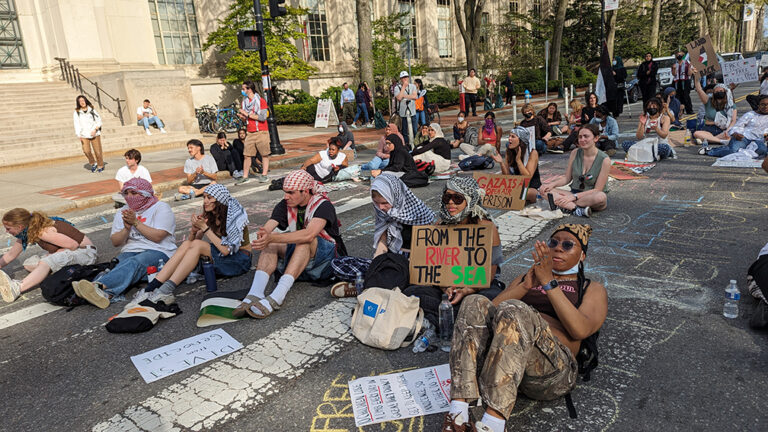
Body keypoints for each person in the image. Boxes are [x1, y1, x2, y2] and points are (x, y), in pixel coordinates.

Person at [443, 224, 607, 432]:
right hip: (505, 365)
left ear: (582, 255)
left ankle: (493, 423)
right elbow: (486, 316)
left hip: (552, 372)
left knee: (516, 309)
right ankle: (457, 413)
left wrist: (549, 283)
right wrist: (526, 286)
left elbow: (580, 331)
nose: (558, 248)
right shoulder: (526, 277)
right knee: (474, 301)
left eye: (567, 245)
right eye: (553, 243)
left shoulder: (591, 288)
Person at [235, 170, 346, 318]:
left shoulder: (323, 206)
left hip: (324, 261)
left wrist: (272, 238)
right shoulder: (285, 204)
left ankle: (278, 296)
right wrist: (265, 234)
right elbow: (270, 225)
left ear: (305, 191)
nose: (286, 197)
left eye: (291, 193)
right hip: (300, 259)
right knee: (272, 240)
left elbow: (309, 234)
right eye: (285, 192)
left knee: (304, 240)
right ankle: (255, 292)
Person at [404, 176, 504, 331]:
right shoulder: (440, 226)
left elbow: (489, 275)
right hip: (446, 286)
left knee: (488, 299)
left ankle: (441, 319)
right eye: (447, 197)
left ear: (470, 200)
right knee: (411, 292)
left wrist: (467, 290)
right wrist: (446, 288)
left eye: (457, 198)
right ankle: (456, 320)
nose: (451, 202)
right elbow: (434, 269)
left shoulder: (488, 229)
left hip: (478, 287)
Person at [137, 184, 252, 304]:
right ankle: (151, 288)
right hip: (224, 258)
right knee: (189, 244)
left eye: (209, 198)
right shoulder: (210, 215)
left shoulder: (234, 216)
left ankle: (166, 290)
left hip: (240, 260)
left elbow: (226, 250)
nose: (205, 201)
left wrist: (205, 228)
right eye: (204, 197)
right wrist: (194, 230)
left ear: (219, 200)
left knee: (198, 244)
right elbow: (190, 245)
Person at [72, 179, 177, 308]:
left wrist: (136, 223)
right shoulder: (123, 211)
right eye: (126, 193)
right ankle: (106, 293)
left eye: (134, 193)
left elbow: (158, 237)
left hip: (160, 251)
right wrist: (126, 229)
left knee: (135, 262)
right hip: (131, 250)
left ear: (145, 194)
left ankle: (98, 286)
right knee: (119, 263)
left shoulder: (161, 208)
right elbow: (116, 242)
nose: (129, 197)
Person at [329, 173, 435, 297]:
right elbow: (382, 246)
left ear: (395, 196)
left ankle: (367, 286)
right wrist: (375, 266)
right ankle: (377, 283)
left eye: (385, 203)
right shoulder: (383, 212)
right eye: (377, 203)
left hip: (412, 263)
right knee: (338, 263)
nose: (381, 207)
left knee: (415, 283)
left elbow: (427, 250)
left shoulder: (419, 212)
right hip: (390, 261)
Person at [0, 209, 96, 303]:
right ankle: (57, 273)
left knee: (45, 262)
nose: (6, 231)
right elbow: (10, 255)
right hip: (71, 252)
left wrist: (52, 256)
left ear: (20, 227)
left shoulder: (42, 231)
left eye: (8, 229)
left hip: (85, 253)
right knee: (28, 264)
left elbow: (73, 245)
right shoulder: (28, 232)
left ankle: (17, 288)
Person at [539, 124, 610, 217]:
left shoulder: (605, 160)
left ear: (596, 138)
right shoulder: (575, 152)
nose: (582, 140)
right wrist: (551, 184)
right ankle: (576, 209)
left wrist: (573, 197)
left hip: (590, 196)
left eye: (586, 136)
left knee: (601, 197)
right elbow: (567, 178)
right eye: (580, 137)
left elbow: (597, 189)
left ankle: (565, 205)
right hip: (573, 192)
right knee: (544, 190)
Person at [701, 94, 768, 158]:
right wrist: (736, 134)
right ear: (758, 105)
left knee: (763, 151)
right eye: (763, 104)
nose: (766, 107)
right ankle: (711, 150)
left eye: (767, 104)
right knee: (733, 151)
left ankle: (730, 149)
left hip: (760, 140)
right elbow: (737, 126)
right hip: (744, 138)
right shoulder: (750, 114)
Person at [691, 66, 737, 149]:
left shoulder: (730, 105)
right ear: (713, 93)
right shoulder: (708, 101)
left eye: (721, 91)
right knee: (696, 133)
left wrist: (727, 131)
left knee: (736, 134)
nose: (718, 93)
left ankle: (710, 140)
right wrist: (696, 77)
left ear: (725, 92)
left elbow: (733, 121)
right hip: (709, 129)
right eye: (716, 91)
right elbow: (699, 89)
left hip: (725, 130)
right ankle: (720, 141)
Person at [237, 80, 270, 184]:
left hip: (261, 131)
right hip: (250, 132)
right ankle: (245, 176)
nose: (242, 91)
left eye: (243, 89)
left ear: (249, 89)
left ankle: (264, 175)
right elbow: (245, 118)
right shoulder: (244, 102)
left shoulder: (261, 101)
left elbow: (262, 117)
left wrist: (246, 114)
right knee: (247, 155)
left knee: (264, 154)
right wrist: (242, 117)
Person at [73, 94, 105, 173]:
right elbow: (76, 124)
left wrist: (95, 129)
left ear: (86, 101)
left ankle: (100, 165)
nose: (82, 102)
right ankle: (93, 163)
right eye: (80, 101)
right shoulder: (77, 112)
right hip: (84, 134)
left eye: (83, 100)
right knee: (86, 150)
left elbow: (99, 121)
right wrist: (78, 134)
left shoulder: (92, 110)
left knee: (98, 151)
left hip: (94, 133)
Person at [394, 71, 419, 146]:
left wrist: (403, 96)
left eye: (406, 77)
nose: (405, 79)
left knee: (414, 129)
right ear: (400, 79)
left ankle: (416, 144)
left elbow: (414, 97)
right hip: (403, 112)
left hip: (412, 111)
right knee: (404, 130)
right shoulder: (397, 87)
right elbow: (398, 98)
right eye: (403, 78)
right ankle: (407, 145)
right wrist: (404, 87)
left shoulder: (413, 86)